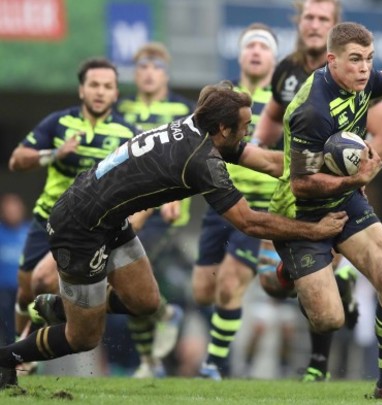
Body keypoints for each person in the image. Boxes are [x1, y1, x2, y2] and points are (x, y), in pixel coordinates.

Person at [0, 82, 348, 390]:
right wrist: (315, 230)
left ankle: (62, 306)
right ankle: (6, 358)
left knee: (147, 303)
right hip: (80, 228)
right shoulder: (201, 162)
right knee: (84, 336)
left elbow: (269, 162)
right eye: (245, 126)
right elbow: (250, 223)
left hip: (108, 218)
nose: (251, 130)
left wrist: (318, 169)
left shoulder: (198, 125)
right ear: (223, 128)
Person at [270, 22, 382, 399]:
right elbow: (301, 183)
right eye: (356, 60)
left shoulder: (359, 80)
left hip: (345, 200)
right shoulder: (312, 110)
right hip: (300, 214)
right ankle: (288, 270)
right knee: (329, 320)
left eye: (369, 59)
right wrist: (355, 178)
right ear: (332, 61)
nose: (364, 68)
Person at [254, 0, 382, 382]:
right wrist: (250, 149)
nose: (315, 24)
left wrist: (358, 166)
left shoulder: (359, 75)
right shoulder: (291, 77)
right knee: (298, 300)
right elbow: (279, 142)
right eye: (310, 16)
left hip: (339, 191)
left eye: (323, 18)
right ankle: (299, 275)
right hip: (298, 199)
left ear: (333, 26)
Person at [7, 58, 138, 358]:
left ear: (116, 93)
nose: (100, 92)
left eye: (107, 86)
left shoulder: (127, 133)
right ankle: (17, 350)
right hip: (45, 221)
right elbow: (16, 160)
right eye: (94, 85)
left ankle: (28, 351)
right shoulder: (58, 123)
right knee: (27, 291)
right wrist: (55, 153)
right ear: (81, 90)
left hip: (92, 230)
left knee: (46, 281)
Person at [190, 23, 280, 379]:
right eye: (250, 46)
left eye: (263, 47)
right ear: (240, 54)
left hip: (258, 207)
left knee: (229, 284)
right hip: (219, 203)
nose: (256, 51)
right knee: (202, 292)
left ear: (274, 57)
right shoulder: (224, 99)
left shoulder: (285, 100)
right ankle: (221, 338)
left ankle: (214, 364)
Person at [115, 42, 195, 379]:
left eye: (156, 67)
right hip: (126, 211)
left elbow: (195, 160)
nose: (149, 73)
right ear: (136, 73)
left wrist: (176, 195)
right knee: (129, 288)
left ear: (166, 72)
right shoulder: (122, 110)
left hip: (165, 216)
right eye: (143, 67)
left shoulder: (184, 110)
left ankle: (162, 358)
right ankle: (151, 359)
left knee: (147, 286)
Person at [0, 194, 29, 346]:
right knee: (7, 329)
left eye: (15, 209)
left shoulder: (31, 233)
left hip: (24, 292)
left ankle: (26, 360)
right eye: (8, 209)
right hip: (3, 292)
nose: (12, 212)